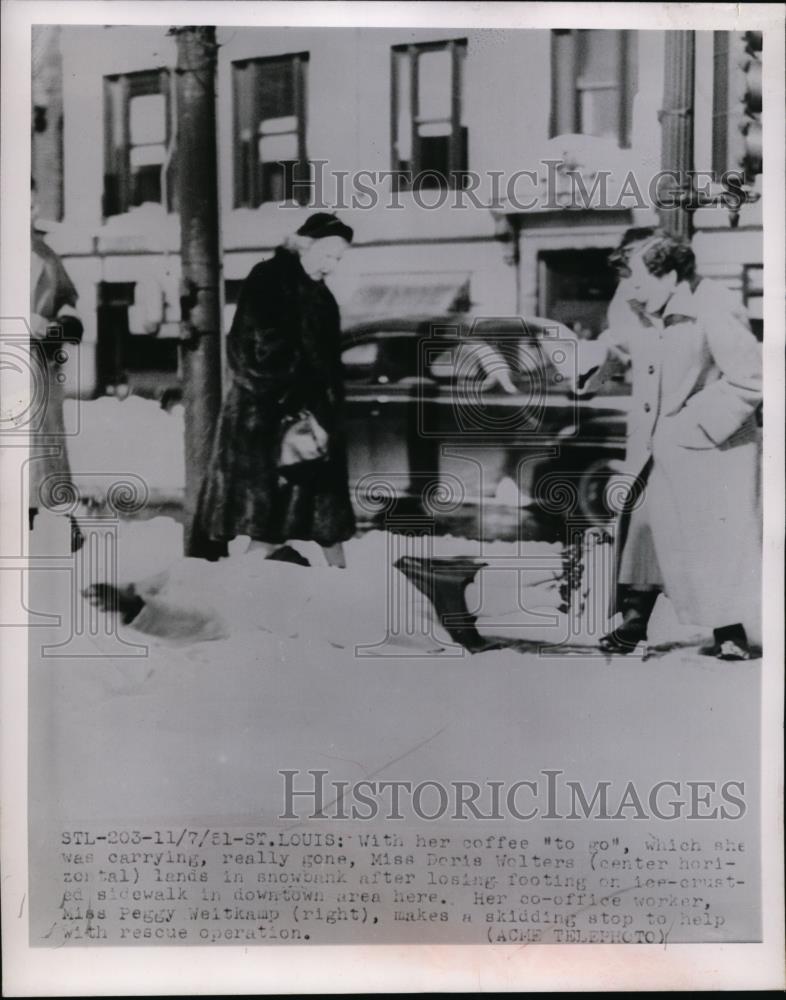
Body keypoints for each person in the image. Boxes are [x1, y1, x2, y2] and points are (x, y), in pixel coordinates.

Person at [568, 227, 762, 660]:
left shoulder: (716, 303)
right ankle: (634, 620)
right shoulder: (634, 302)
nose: (630, 288)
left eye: (637, 278)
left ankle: (729, 630)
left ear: (671, 274)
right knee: (644, 529)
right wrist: (595, 359)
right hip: (653, 444)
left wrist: (693, 424)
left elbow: (751, 380)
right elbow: (619, 347)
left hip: (710, 447)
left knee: (710, 540)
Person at [194, 212, 356, 567]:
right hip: (269, 422)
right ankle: (237, 589)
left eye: (337, 259)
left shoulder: (319, 293)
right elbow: (253, 349)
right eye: (327, 255)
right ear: (304, 246)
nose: (331, 265)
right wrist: (292, 395)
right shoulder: (270, 279)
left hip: (308, 424)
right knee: (271, 523)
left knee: (319, 521)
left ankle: (340, 586)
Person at [29, 178, 84, 550]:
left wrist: (56, 328)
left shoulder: (44, 255)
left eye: (34, 203)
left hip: (38, 369)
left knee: (44, 449)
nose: (33, 211)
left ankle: (56, 520)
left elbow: (71, 313)